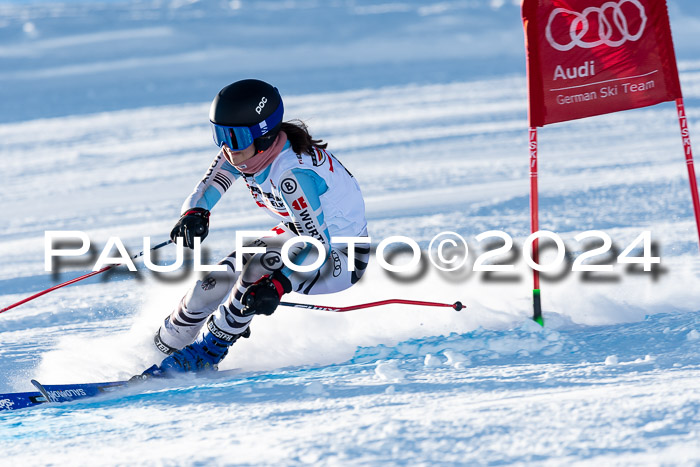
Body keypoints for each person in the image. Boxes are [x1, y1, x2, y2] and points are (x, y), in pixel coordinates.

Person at [139, 79, 370, 377]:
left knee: (253, 274)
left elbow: (318, 246)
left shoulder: (292, 175)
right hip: (299, 235)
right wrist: (195, 213)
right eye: (219, 134)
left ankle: (209, 350)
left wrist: (280, 283)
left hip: (339, 257)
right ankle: (161, 346)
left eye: (234, 137)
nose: (226, 147)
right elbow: (212, 183)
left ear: (263, 136)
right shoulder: (247, 151)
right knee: (214, 281)